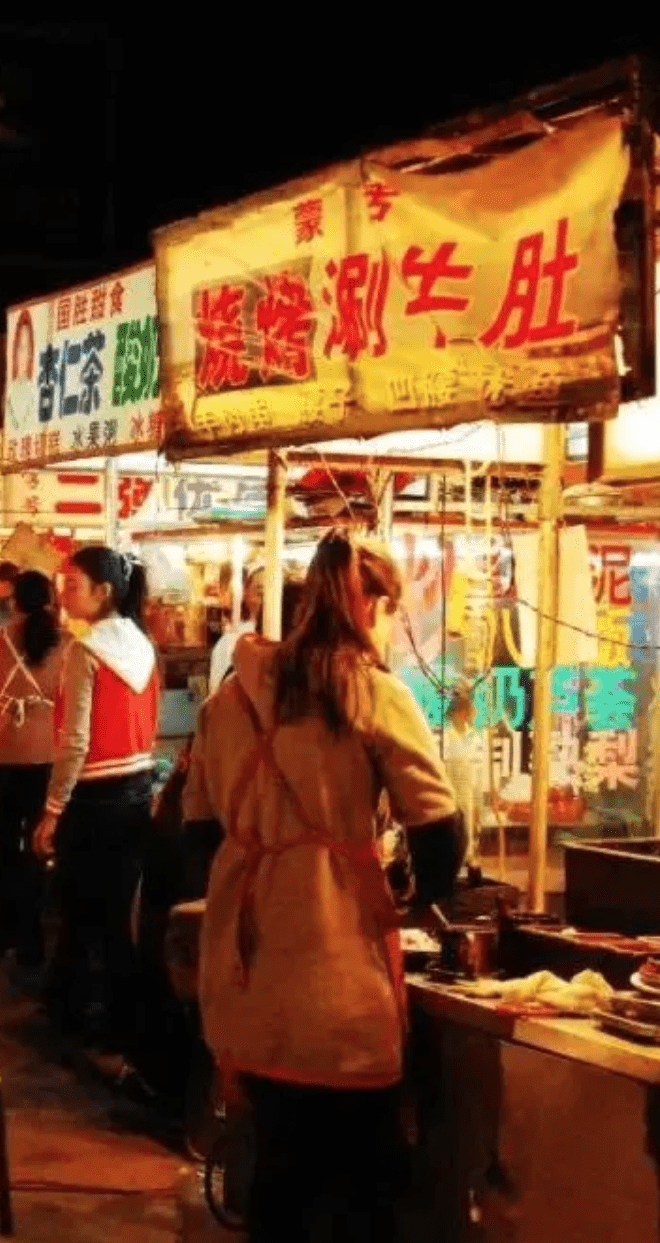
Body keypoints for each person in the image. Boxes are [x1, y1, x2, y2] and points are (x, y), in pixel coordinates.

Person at [184, 531, 462, 1243]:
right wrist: (416, 900)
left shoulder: (227, 703)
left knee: (276, 1165)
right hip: (337, 966)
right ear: (369, 602)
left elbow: (193, 831)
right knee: (359, 1181)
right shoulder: (367, 691)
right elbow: (439, 828)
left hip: (245, 965)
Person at [35, 546, 160, 1049]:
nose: (63, 595)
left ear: (103, 591)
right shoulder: (141, 644)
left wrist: (52, 810)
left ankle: (71, 1016)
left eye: (72, 585)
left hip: (93, 797)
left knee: (78, 911)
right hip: (136, 790)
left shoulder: (86, 651)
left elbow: (75, 739)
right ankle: (120, 1022)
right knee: (117, 915)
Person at [0, 571, 64, 965]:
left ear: (15, 601)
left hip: (1, 750)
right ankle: (31, 942)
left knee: (3, 846)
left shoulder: (0, 638)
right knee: (37, 848)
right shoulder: (68, 643)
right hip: (45, 752)